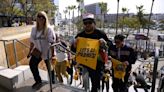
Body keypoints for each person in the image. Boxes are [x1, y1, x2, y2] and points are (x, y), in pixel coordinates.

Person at [71, 13, 110, 92]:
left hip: (97, 64)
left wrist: (104, 43)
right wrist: (74, 45)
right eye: (85, 23)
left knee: (95, 85)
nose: (87, 24)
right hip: (84, 63)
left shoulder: (100, 33)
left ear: (94, 23)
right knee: (85, 84)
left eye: (90, 22)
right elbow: (73, 50)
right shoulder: (80, 35)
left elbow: (110, 45)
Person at [27, 11, 56, 89]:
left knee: (50, 69)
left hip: (47, 52)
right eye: (39, 16)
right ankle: (38, 81)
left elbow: (52, 43)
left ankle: (52, 83)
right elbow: (32, 42)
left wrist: (53, 55)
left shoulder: (49, 29)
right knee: (32, 65)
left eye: (42, 17)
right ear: (36, 18)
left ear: (45, 19)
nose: (40, 18)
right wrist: (30, 52)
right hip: (38, 52)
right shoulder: (34, 29)